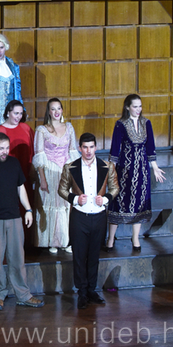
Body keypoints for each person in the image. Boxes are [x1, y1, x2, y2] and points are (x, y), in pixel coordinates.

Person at [0, 132, 45, 311]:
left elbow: (21, 188)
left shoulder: (13, 163)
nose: (4, 152)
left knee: (17, 258)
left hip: (14, 217)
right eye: (0, 149)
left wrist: (28, 210)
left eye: (6, 148)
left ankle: (23, 295)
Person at [58, 132, 119, 310]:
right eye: (85, 147)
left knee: (94, 256)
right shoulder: (70, 167)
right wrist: (75, 199)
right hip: (79, 217)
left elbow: (115, 188)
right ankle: (82, 292)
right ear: (80, 148)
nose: (88, 151)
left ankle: (92, 290)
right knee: (79, 256)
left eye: (91, 147)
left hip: (99, 217)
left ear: (96, 147)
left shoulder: (107, 166)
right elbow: (61, 189)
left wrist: (106, 199)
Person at [105, 93, 166, 252]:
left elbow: (150, 147)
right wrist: (111, 170)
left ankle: (135, 238)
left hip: (142, 170)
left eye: (140, 106)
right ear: (127, 107)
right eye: (135, 106)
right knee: (118, 201)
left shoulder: (146, 123)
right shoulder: (120, 124)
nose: (138, 109)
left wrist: (155, 167)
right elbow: (115, 149)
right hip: (124, 170)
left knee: (139, 202)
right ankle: (111, 238)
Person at [32, 98, 79, 254]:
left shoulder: (69, 128)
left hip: (65, 171)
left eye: (59, 108)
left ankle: (65, 241)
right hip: (50, 171)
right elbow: (39, 155)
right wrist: (42, 179)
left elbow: (73, 152)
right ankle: (52, 241)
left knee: (65, 206)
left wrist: (74, 176)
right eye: (53, 109)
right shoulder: (42, 130)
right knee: (52, 205)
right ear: (49, 112)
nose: (56, 112)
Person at [0, 99, 34, 182]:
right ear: (8, 113)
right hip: (6, 173)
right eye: (16, 113)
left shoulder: (26, 128)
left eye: (21, 113)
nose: (19, 116)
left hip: (25, 172)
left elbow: (34, 149)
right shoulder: (0, 131)